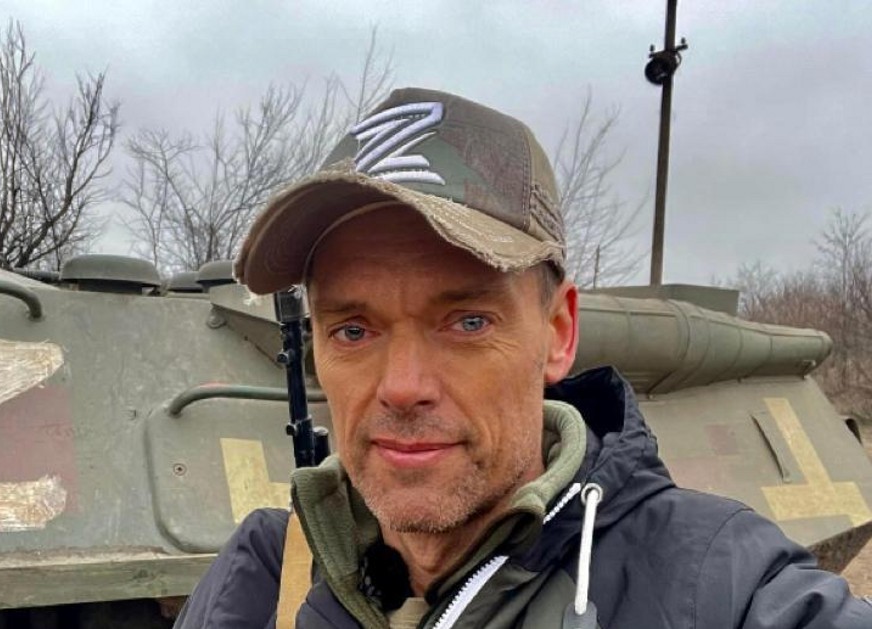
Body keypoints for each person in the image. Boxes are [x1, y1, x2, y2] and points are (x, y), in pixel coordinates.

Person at [174, 88, 872, 628]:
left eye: (468, 321)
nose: (402, 387)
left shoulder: (714, 585)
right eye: (353, 330)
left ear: (558, 333)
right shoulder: (266, 576)